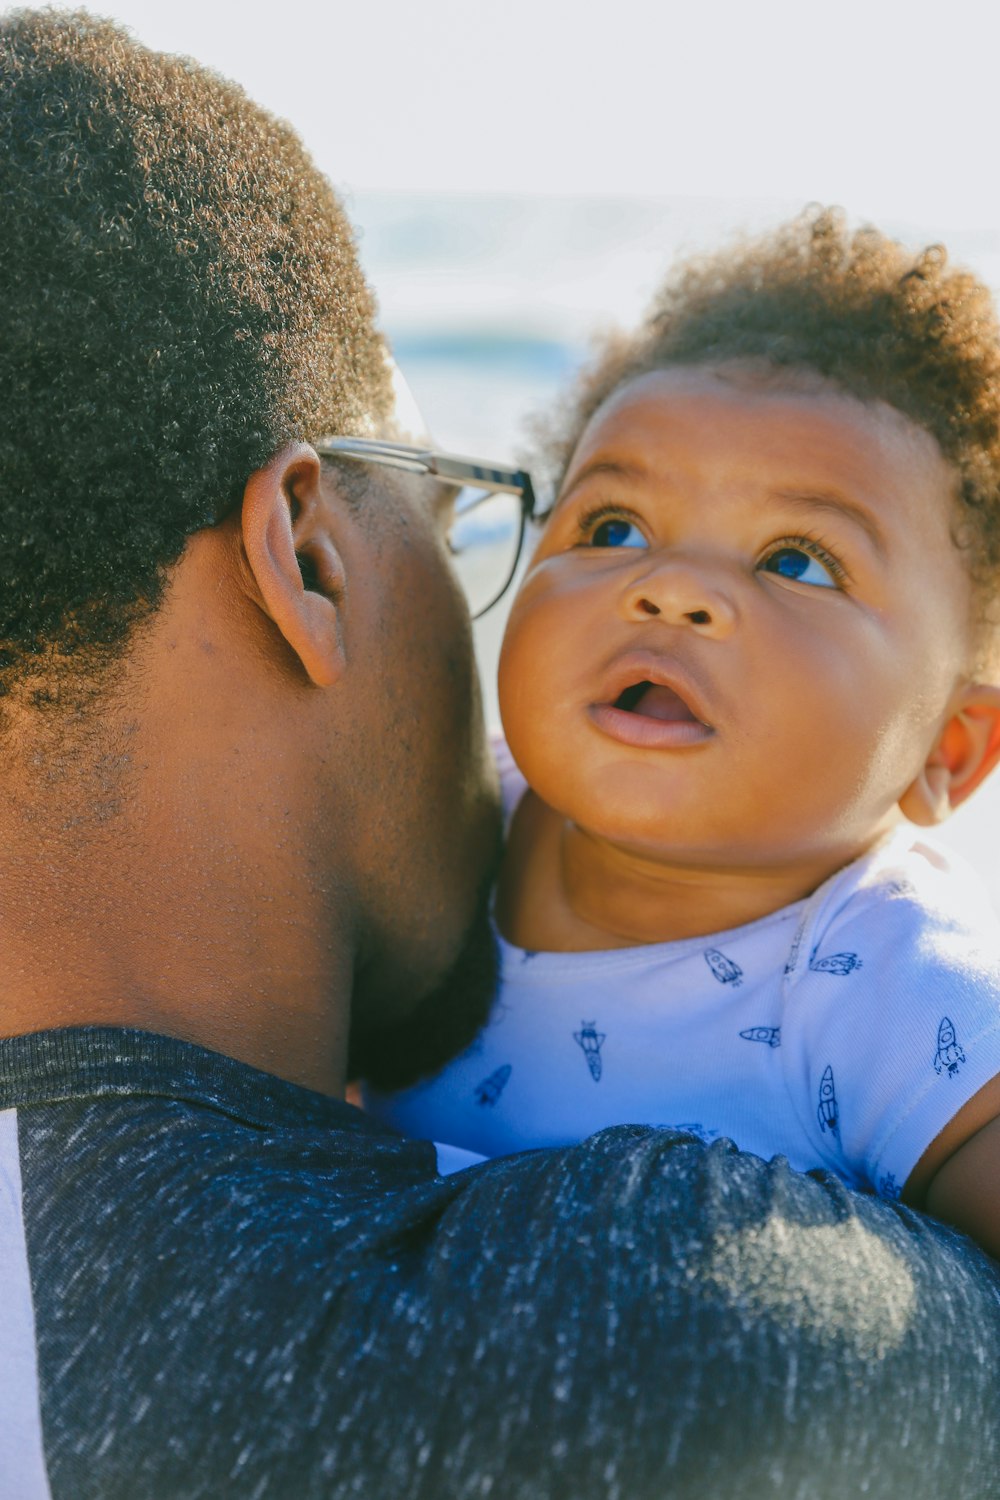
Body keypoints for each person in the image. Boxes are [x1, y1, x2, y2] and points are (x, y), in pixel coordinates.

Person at [0, 13, 997, 1498]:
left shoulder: (887, 970)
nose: (670, 590)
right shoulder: (692, 1332)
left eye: (796, 558)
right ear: (311, 559)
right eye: (559, 523)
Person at [368, 214, 1000, 1262]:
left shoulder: (892, 991)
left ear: (949, 749)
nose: (671, 589)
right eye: (613, 529)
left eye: (797, 560)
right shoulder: (435, 832)